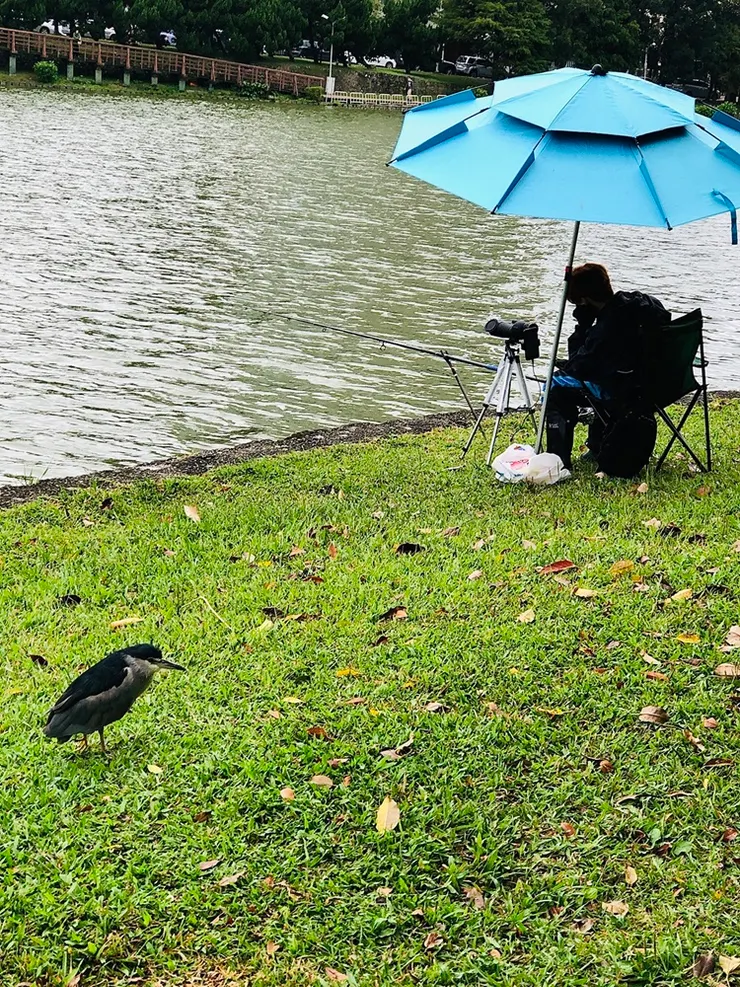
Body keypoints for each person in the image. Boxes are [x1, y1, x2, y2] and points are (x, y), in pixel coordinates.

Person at [545, 263, 670, 470]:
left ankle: (558, 460)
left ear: (584, 301)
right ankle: (597, 445)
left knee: (556, 385)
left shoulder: (605, 330)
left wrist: (582, 327)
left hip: (625, 391)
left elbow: (578, 366)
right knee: (600, 378)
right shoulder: (646, 303)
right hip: (661, 384)